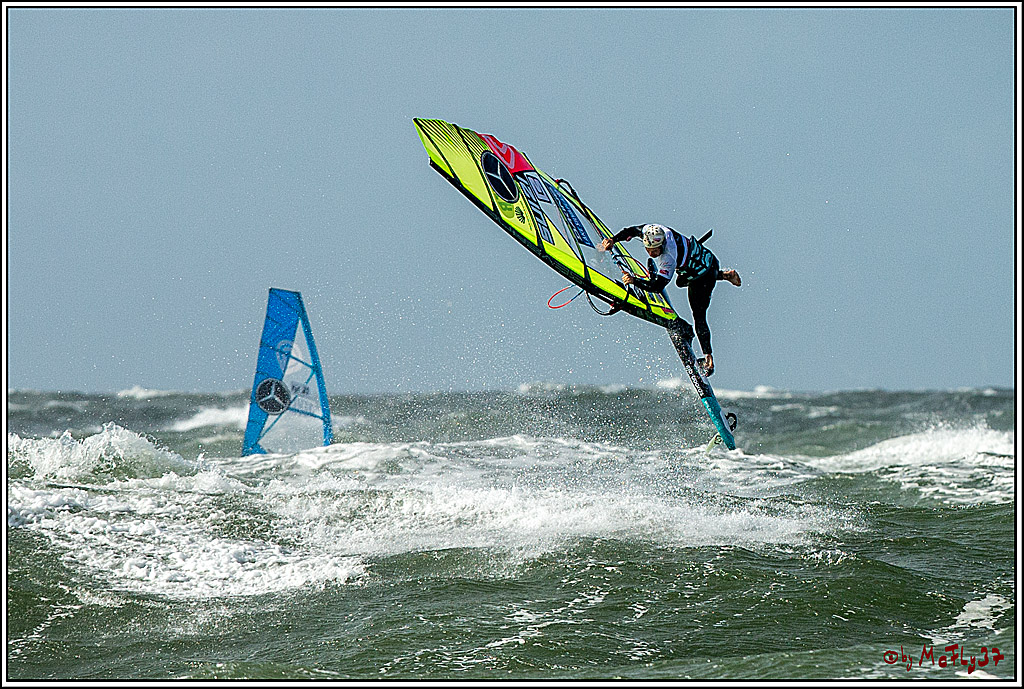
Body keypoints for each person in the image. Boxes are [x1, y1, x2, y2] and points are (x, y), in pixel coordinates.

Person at [598, 223, 741, 376]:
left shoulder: (668, 257)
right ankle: (724, 275)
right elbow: (632, 231)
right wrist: (613, 240)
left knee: (699, 316)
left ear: (662, 245)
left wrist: (634, 281)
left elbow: (657, 287)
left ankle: (709, 360)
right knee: (680, 282)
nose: (652, 254)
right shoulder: (653, 231)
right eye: (649, 250)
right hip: (698, 261)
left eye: (655, 251)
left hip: (703, 275)